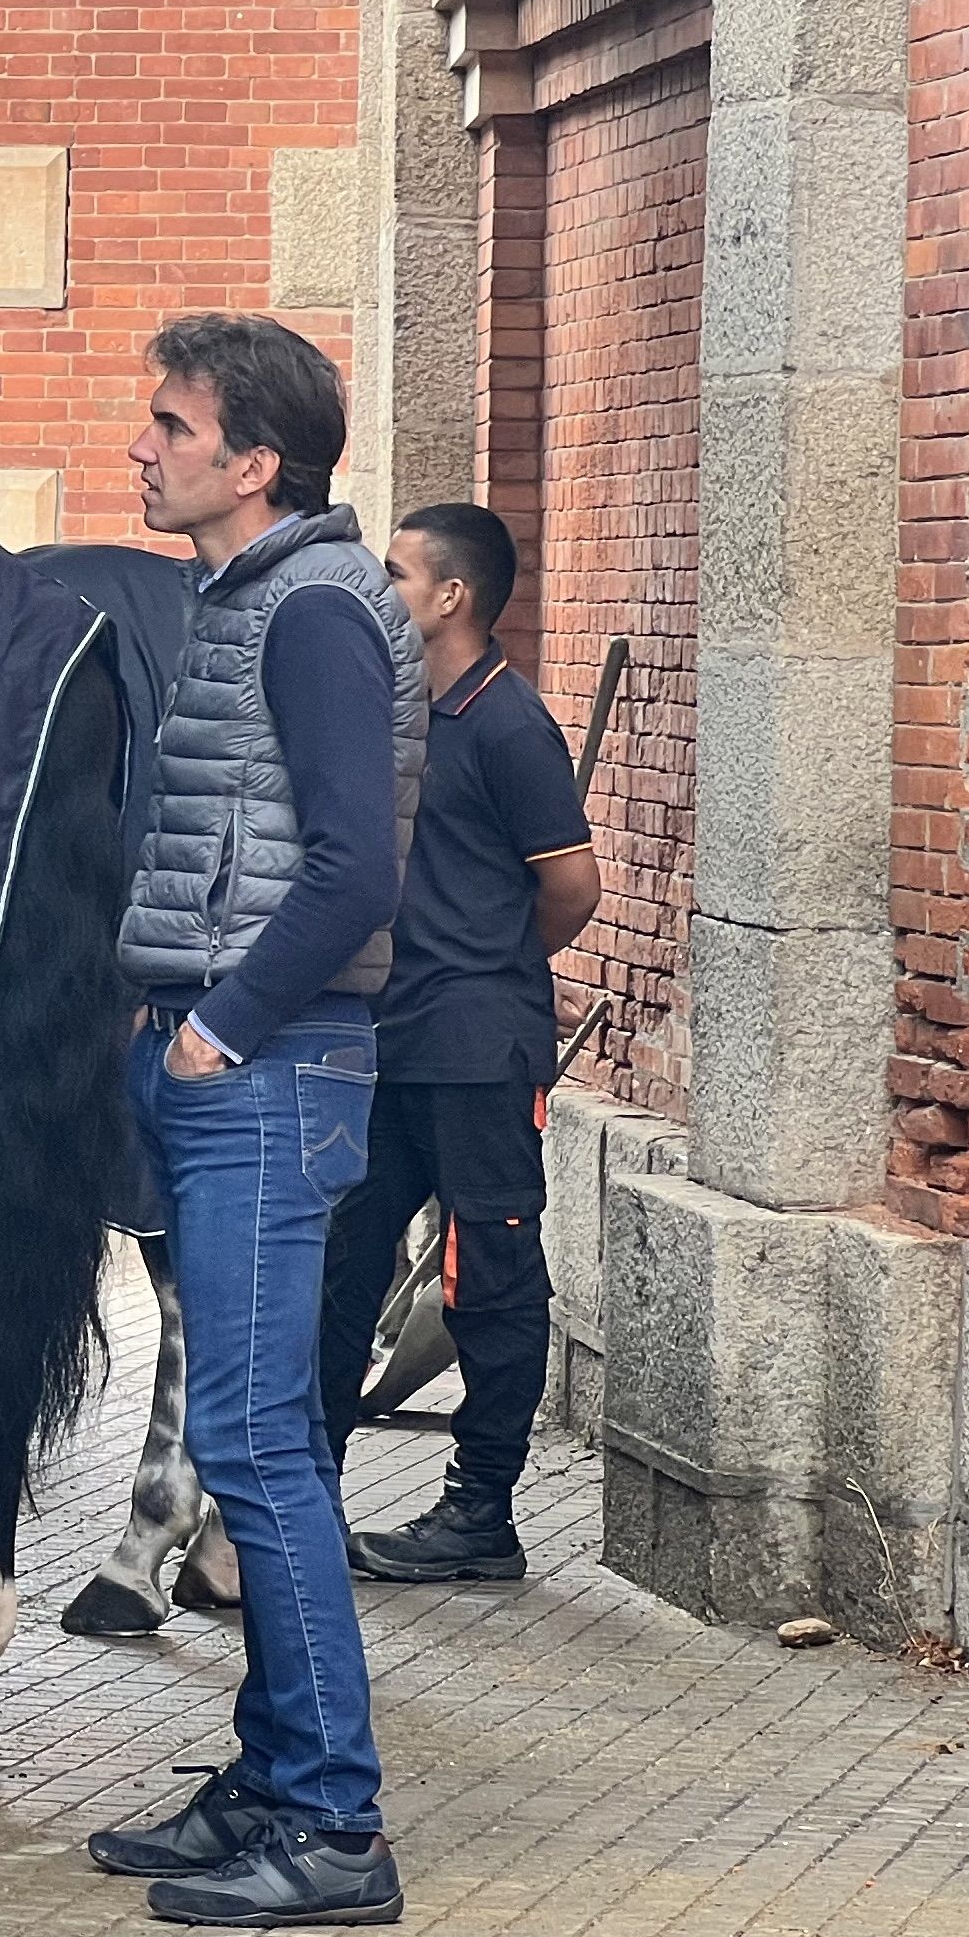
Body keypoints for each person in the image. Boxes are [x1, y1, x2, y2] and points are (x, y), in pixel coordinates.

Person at [88, 314, 423, 1928]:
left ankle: (334, 1824)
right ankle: (270, 1778)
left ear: (253, 460)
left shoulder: (306, 614)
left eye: (166, 423)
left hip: (271, 1071)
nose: (138, 447)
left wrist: (218, 1026)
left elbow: (356, 863)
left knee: (255, 1446)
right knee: (250, 1431)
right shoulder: (252, 597)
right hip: (241, 1066)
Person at [318, 503, 599, 1581]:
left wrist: (494, 966)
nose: (378, 590)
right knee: (340, 1268)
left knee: (490, 1280)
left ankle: (481, 1516)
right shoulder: (393, 714)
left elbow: (572, 887)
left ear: (451, 598)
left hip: (478, 1051)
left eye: (394, 573)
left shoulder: (510, 725)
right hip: (379, 1043)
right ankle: (303, 1499)